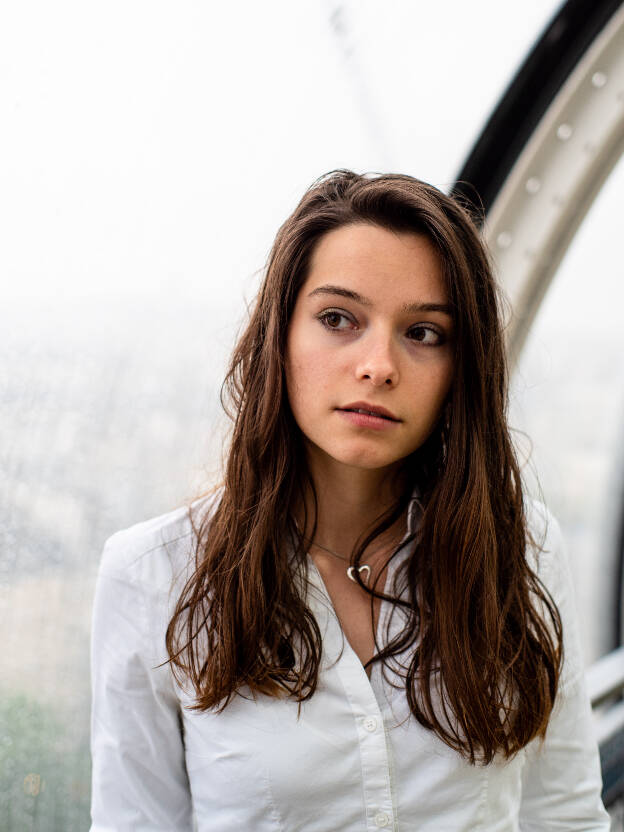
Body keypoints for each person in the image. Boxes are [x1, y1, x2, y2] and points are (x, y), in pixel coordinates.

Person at [90, 170, 610, 830]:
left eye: (423, 333)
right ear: (278, 336)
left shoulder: (523, 548)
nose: (378, 365)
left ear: (461, 370)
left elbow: (562, 814)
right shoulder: (152, 576)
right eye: (339, 319)